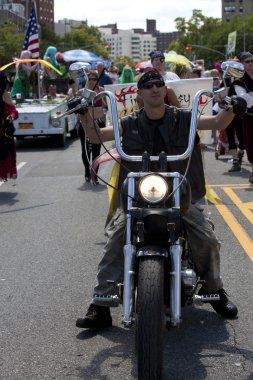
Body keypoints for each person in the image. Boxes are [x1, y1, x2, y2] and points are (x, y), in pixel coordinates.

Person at [76, 70, 246, 329]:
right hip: (138, 197)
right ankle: (100, 302)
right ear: (140, 93)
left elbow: (217, 123)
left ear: (165, 90)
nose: (155, 88)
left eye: (159, 84)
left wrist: (234, 106)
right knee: (116, 237)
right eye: (148, 85)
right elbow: (95, 135)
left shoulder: (185, 119)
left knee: (207, 238)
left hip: (181, 195)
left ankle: (214, 290)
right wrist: (84, 113)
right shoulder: (128, 123)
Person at [230, 51, 253, 183]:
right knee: (251, 144)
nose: (251, 63)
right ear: (242, 64)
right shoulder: (239, 81)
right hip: (249, 117)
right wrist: (249, 95)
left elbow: (249, 97)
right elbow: (246, 101)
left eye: (252, 61)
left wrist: (251, 94)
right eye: (247, 61)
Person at [78, 70, 104, 184]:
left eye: (94, 79)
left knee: (96, 150)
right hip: (84, 123)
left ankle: (95, 174)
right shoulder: (81, 92)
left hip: (99, 123)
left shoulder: (102, 91)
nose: (92, 81)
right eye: (90, 79)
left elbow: (108, 105)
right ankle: (87, 172)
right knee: (85, 150)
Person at [0, 71, 19, 182]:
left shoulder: (5, 94)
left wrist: (11, 116)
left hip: (3, 131)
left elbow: (14, 111)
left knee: (3, 154)